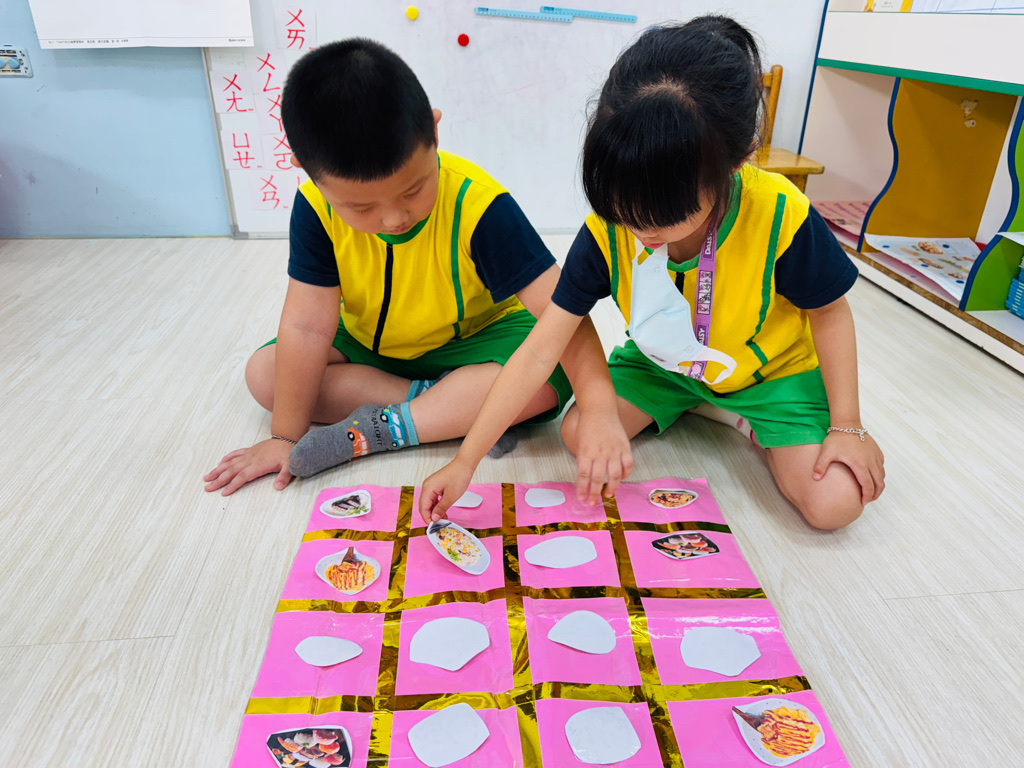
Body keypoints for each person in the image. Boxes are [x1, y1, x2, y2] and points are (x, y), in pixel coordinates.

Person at [419, 16, 885, 530]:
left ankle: (740, 414)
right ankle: (702, 404)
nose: (639, 229)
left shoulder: (781, 215)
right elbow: (540, 349)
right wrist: (465, 463)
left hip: (769, 374)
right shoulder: (607, 232)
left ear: (736, 163)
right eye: (623, 208)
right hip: (663, 367)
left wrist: (848, 425)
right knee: (580, 433)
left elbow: (830, 313)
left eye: (663, 213)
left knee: (835, 503)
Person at [204, 38, 579, 496]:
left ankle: (392, 425)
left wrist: (597, 404)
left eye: (413, 190)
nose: (393, 218)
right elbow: (306, 326)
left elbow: (563, 312)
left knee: (553, 373)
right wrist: (284, 437)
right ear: (308, 172)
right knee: (264, 374)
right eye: (361, 208)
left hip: (477, 340)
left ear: (435, 133)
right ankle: (445, 411)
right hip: (370, 347)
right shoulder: (315, 208)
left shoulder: (479, 204)